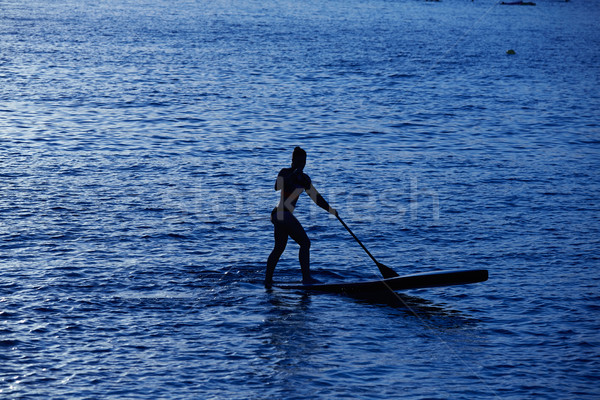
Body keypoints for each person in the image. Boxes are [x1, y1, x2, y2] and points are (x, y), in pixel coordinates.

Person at [265, 147, 337, 288]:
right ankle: (306, 278)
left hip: (285, 216)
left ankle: (268, 282)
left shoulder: (304, 179)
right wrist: (292, 175)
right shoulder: (285, 172)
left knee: (279, 248)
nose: (302, 164)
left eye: (304, 161)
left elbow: (316, 199)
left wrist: (331, 210)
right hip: (280, 213)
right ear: (293, 161)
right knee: (305, 243)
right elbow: (276, 186)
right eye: (299, 161)